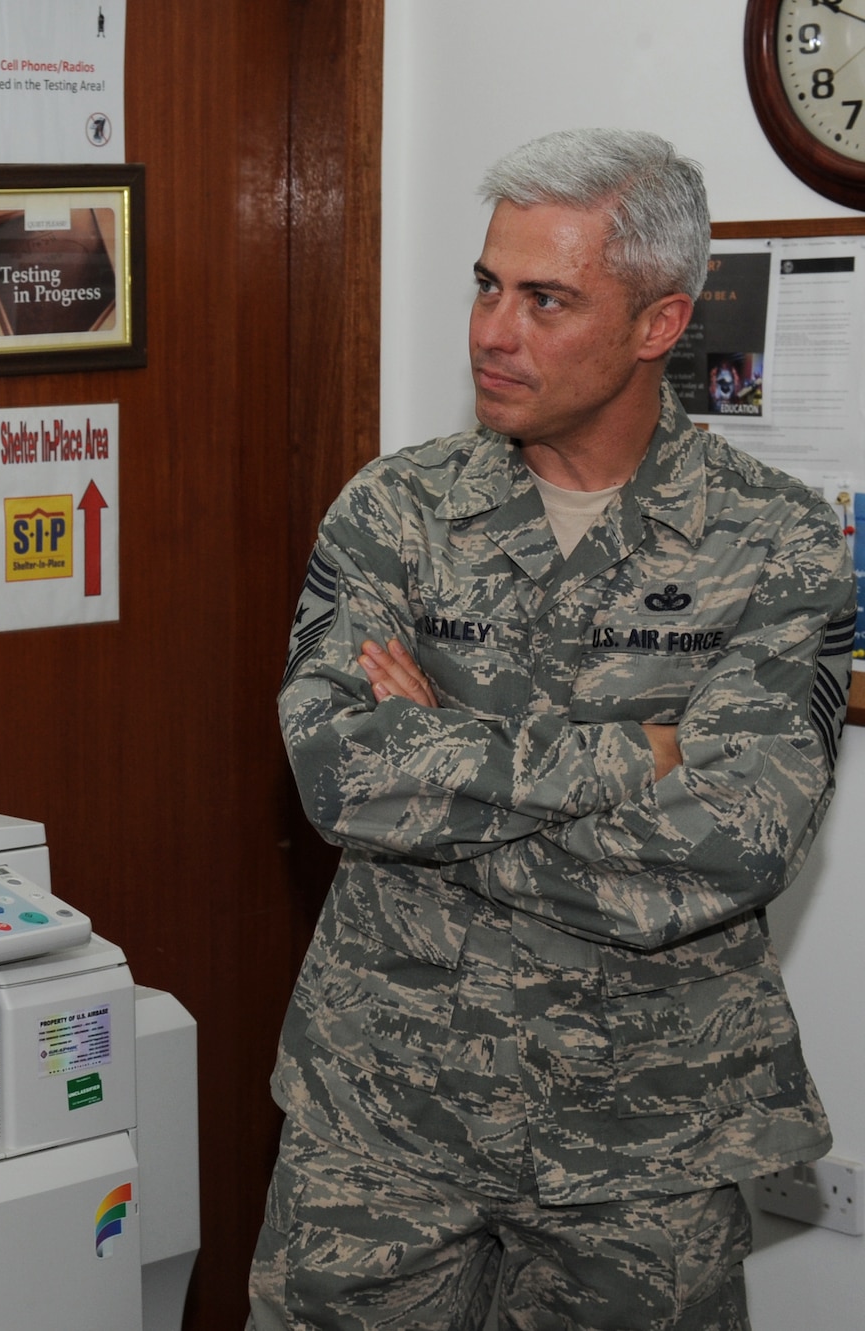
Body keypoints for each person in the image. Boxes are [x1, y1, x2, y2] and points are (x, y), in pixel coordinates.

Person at [253, 129, 854, 1329]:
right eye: (484, 284)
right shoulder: (397, 509)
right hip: (380, 1118)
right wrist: (642, 755)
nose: (490, 329)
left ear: (657, 323)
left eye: (544, 299)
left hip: (642, 1140)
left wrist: (441, 780)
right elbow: (339, 774)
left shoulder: (778, 543)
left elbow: (728, 846)